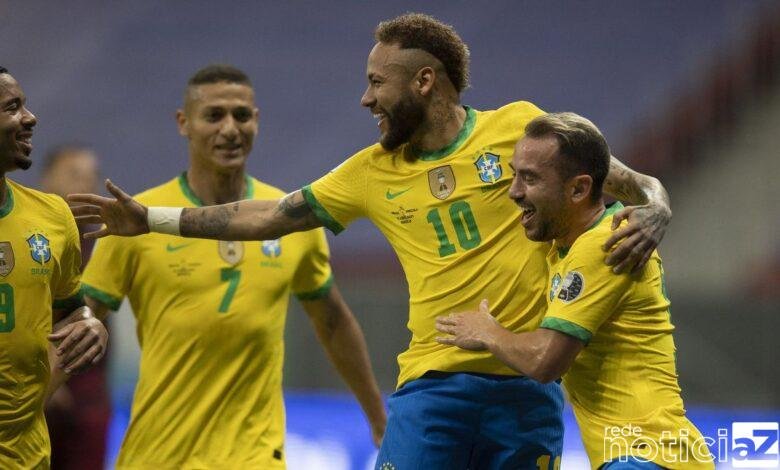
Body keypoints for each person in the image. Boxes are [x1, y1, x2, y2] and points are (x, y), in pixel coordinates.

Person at [70, 14, 672, 469]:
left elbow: (620, 180)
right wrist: (153, 219)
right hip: (432, 389)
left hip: (527, 390)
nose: (366, 99)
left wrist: (658, 206)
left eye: (377, 83)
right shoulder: (370, 171)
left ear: (425, 82)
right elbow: (270, 216)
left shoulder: (517, 129)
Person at [77, 65, 385, 469]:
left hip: (255, 455)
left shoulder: (291, 218)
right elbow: (78, 328)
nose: (230, 128)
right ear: (183, 123)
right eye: (214, 115)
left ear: (257, 121)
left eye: (241, 115)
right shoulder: (136, 221)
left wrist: (380, 421)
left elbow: (333, 323)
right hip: (158, 454)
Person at [435, 112, 713, 469]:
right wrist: (656, 199)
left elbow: (545, 361)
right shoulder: (567, 242)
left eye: (530, 178)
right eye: (514, 174)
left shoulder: (601, 246)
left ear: (579, 189)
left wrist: (488, 332)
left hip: (648, 456)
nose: (514, 191)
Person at [0, 67, 108, 469]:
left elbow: (70, 310)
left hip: (29, 455)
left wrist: (89, 323)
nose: (31, 117)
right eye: (13, 107)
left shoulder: (53, 218)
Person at [40, 145, 110, 470]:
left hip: (88, 397)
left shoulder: (105, 244)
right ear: (45, 181)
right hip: (31, 394)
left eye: (90, 177)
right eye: (73, 174)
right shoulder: (28, 241)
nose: (84, 185)